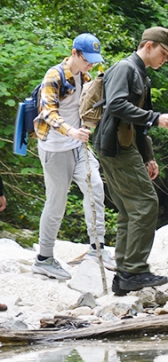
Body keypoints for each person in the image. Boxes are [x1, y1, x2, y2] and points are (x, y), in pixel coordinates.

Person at [95, 27, 168, 295]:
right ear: (148, 45)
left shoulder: (142, 75)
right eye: (163, 52)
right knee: (145, 204)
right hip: (116, 147)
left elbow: (138, 119)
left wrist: (148, 156)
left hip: (126, 146)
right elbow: (117, 105)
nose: (165, 59)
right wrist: (157, 118)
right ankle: (134, 270)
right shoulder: (124, 68)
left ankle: (123, 277)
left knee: (129, 210)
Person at [30, 33, 114, 281]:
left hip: (78, 147)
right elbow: (48, 112)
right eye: (87, 59)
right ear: (75, 53)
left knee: (96, 188)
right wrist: (71, 131)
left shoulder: (85, 76)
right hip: (55, 148)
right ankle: (43, 259)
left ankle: (97, 249)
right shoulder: (54, 75)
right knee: (56, 203)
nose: (91, 64)